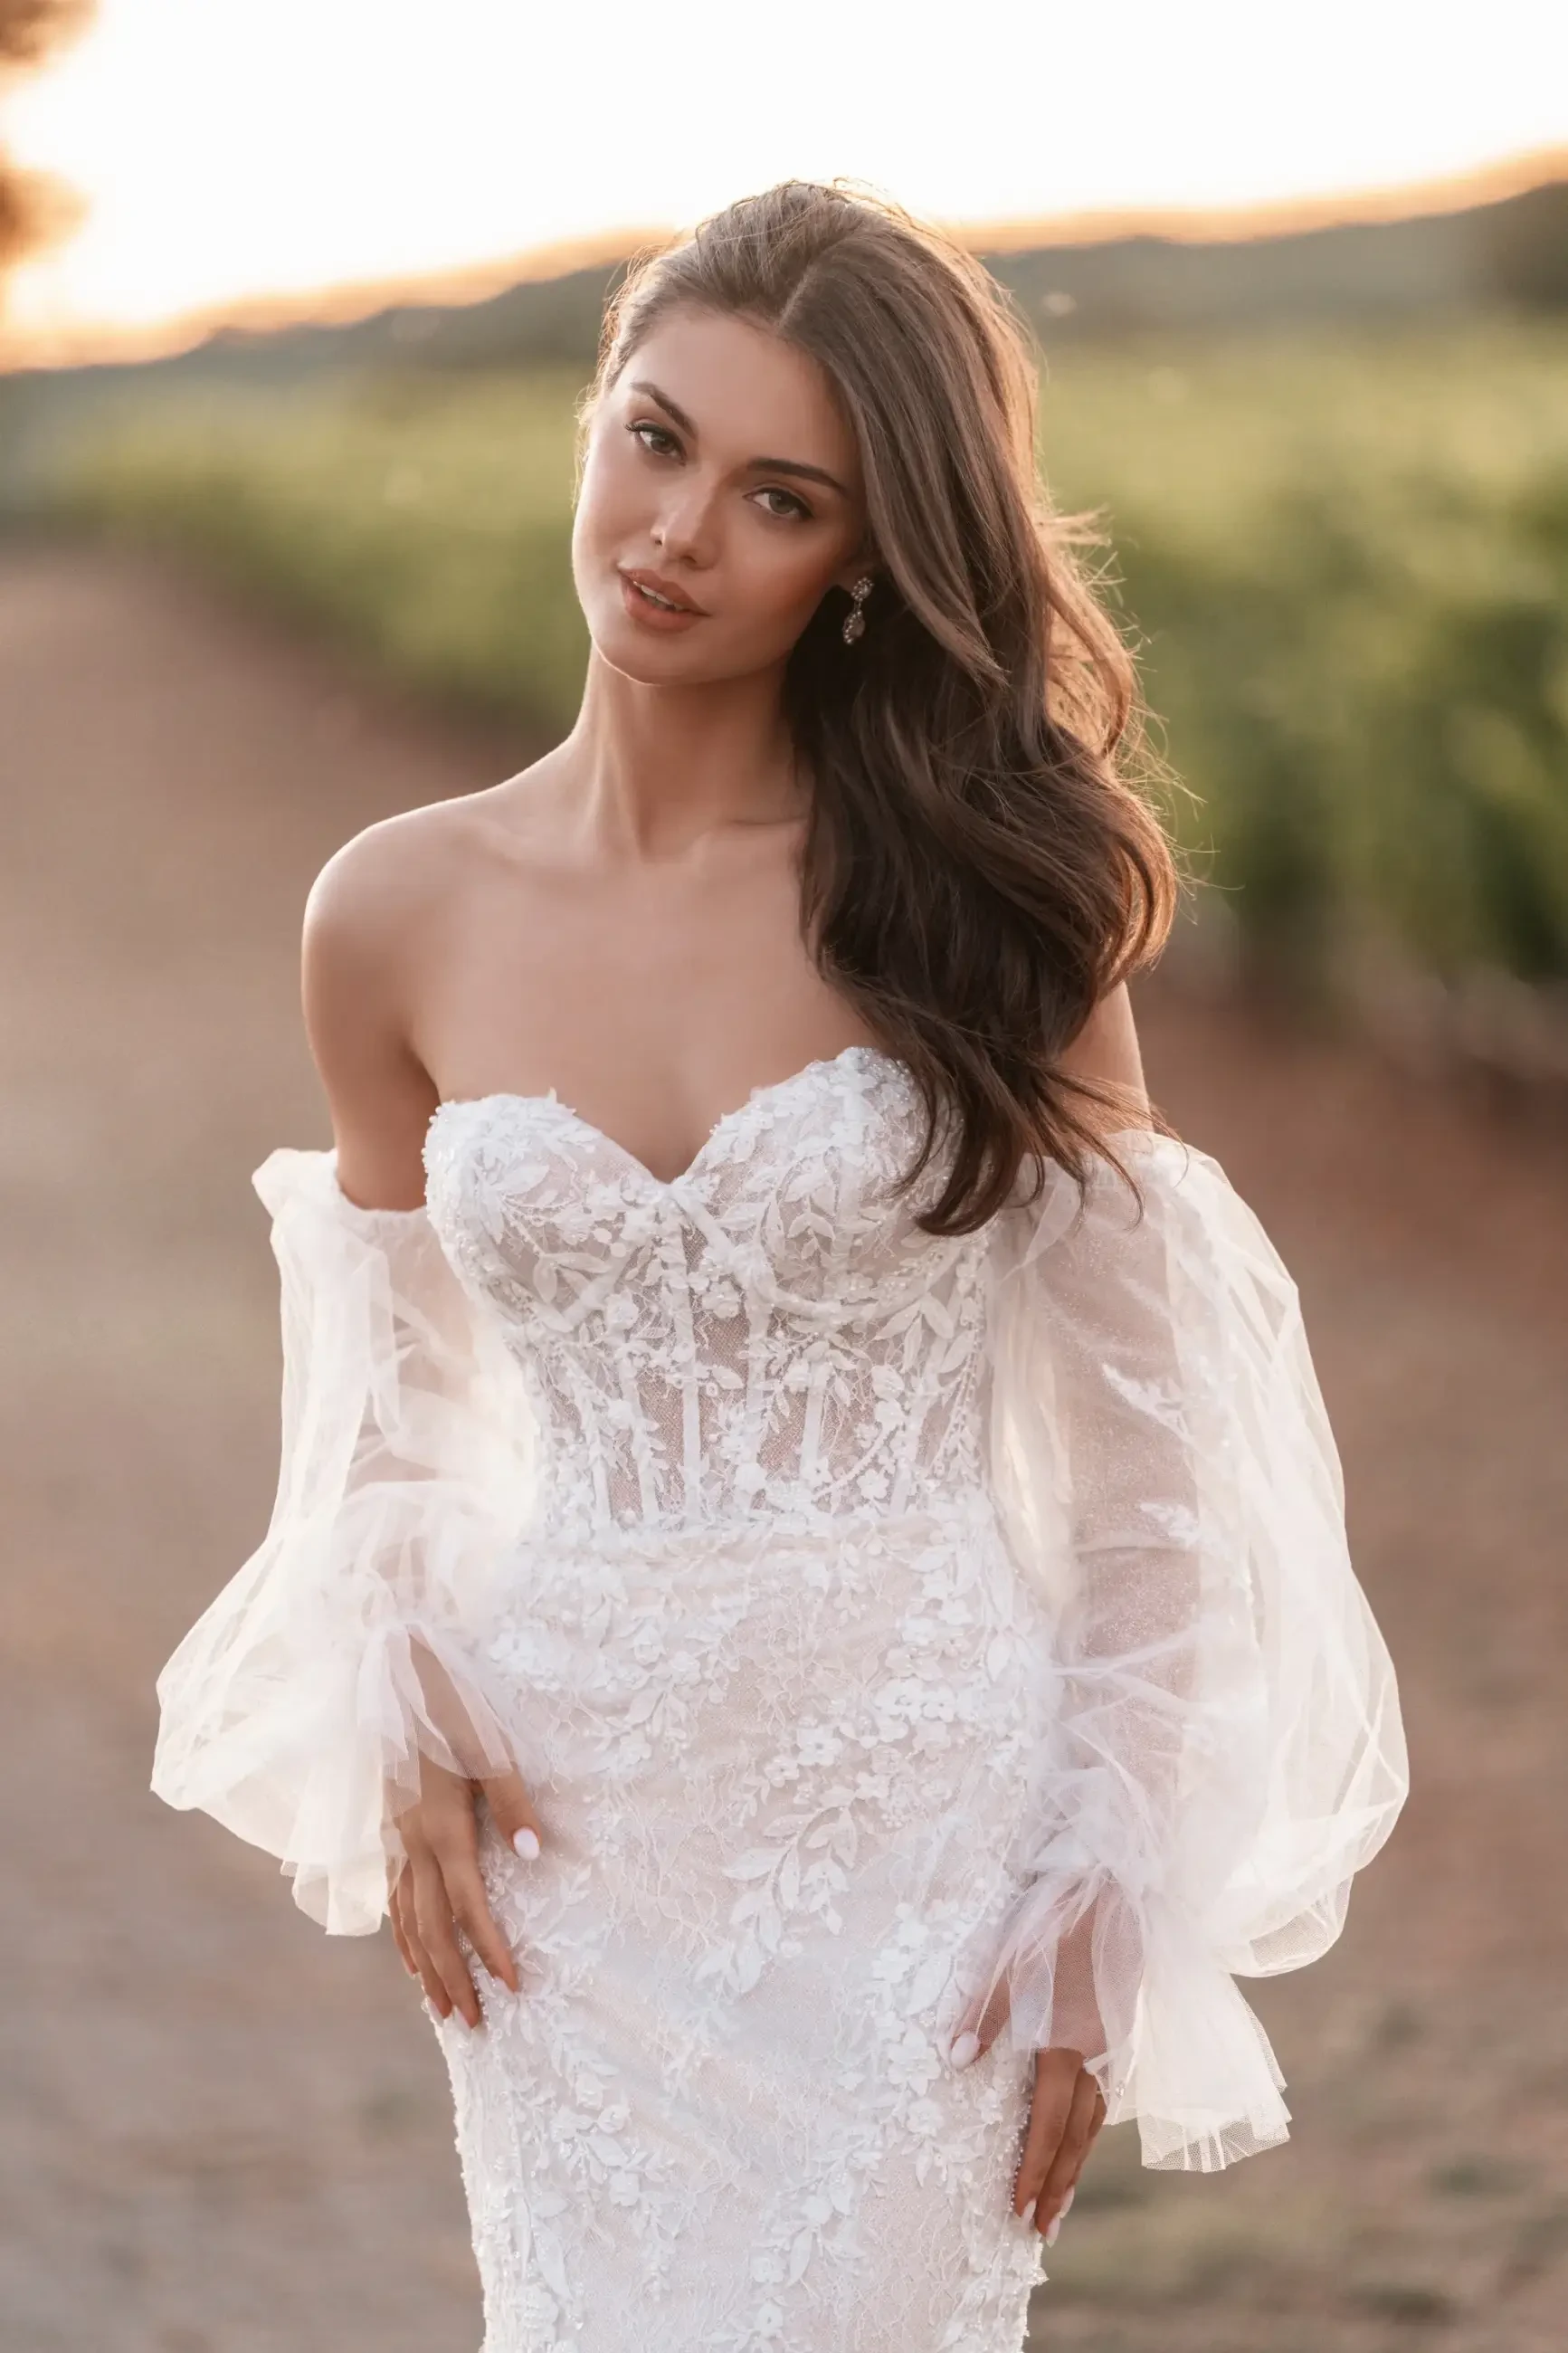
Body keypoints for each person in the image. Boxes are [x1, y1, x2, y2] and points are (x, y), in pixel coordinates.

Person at [150, 180, 1409, 2351]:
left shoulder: (989, 904)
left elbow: (1153, 1469)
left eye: (776, 495)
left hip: (917, 1815)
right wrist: (401, 1672)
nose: (676, 531)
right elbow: (381, 1397)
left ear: (863, 558)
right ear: (588, 422)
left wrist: (1105, 1865)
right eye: (653, 438)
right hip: (572, 1839)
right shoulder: (391, 910)